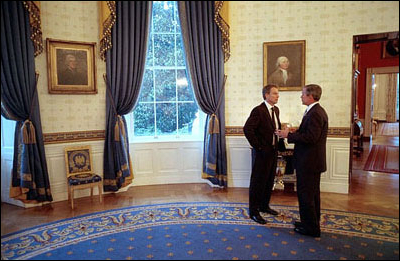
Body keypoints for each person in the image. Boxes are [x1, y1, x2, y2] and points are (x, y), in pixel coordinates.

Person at [276, 84, 328, 237]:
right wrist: (295, 131)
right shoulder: (314, 111)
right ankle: (310, 222)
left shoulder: (315, 113)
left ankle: (311, 229)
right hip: (311, 161)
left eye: (303, 94)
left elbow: (311, 138)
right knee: (312, 195)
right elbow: (310, 132)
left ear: (311, 96)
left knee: (306, 195)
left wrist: (288, 136)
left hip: (309, 162)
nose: (301, 96)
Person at [243, 84, 285, 224]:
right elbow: (248, 129)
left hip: (273, 152)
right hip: (261, 153)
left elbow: (274, 128)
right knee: (257, 182)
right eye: (274, 93)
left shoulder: (276, 110)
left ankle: (264, 206)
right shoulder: (258, 110)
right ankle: (254, 211)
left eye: (277, 94)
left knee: (268, 181)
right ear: (266, 95)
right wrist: (259, 146)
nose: (277, 96)